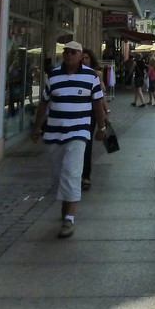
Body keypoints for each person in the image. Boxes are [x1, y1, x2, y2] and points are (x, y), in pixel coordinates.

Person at [30, 41, 107, 238]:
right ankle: (66, 205)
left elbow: (98, 103)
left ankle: (69, 219)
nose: (68, 55)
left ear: (81, 56)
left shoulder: (91, 76)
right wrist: (37, 127)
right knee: (58, 175)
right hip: (54, 132)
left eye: (73, 52)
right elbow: (44, 103)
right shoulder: (53, 75)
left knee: (72, 173)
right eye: (66, 52)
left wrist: (102, 127)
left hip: (79, 132)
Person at [81, 46, 109, 191]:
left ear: (91, 60)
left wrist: (105, 112)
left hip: (91, 112)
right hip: (77, 113)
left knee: (87, 144)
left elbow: (101, 95)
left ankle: (86, 176)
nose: (84, 60)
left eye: (87, 58)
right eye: (83, 58)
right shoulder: (76, 74)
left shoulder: (96, 75)